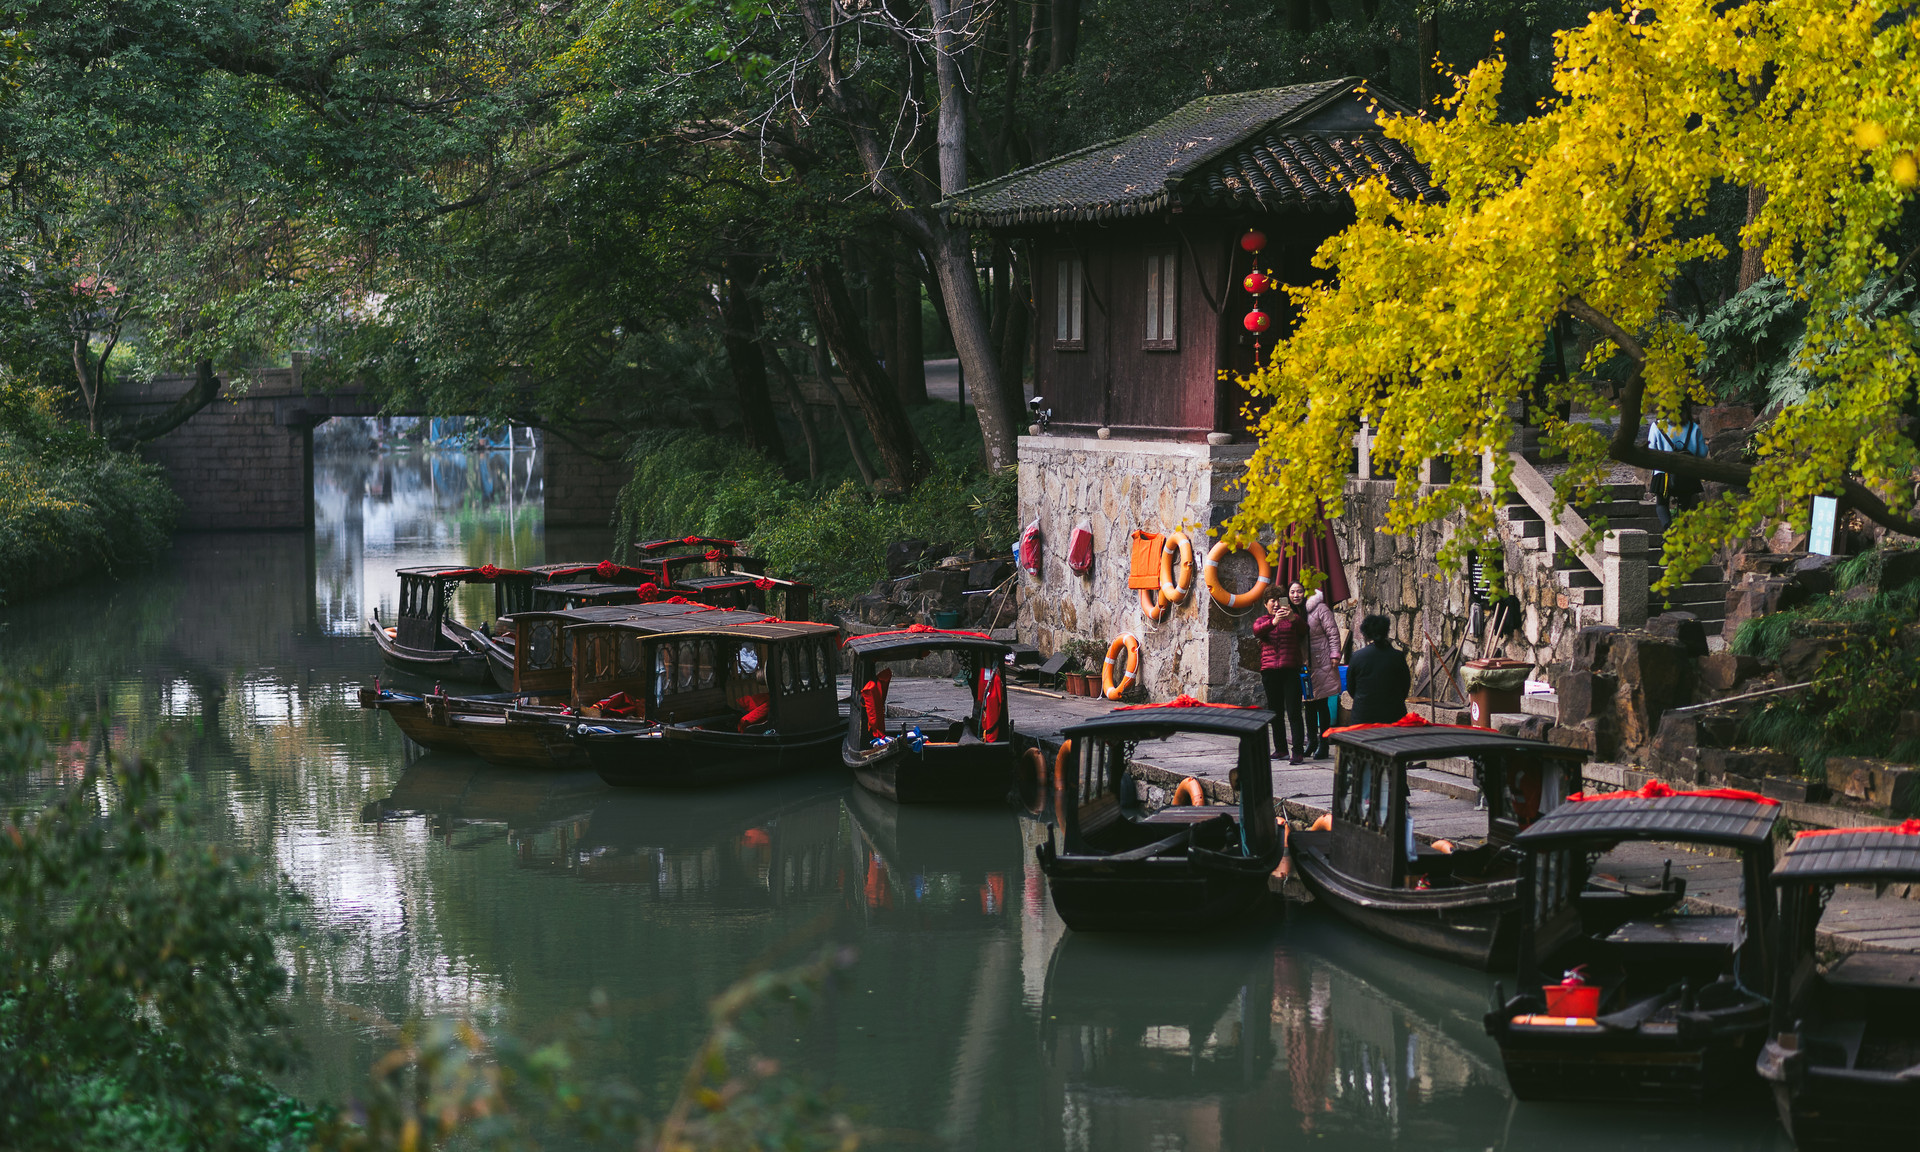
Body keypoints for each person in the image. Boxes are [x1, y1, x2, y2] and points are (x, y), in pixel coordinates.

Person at [1253, 586, 1310, 763]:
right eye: (1272, 601)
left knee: (1293, 711)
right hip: (1270, 671)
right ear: (1266, 605)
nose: (1277, 604)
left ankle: (1298, 751)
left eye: (1280, 600)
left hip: (1290, 669)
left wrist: (1292, 618)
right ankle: (1280, 749)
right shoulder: (1262, 620)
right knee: (1275, 711)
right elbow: (1257, 631)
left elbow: (1304, 630)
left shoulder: (1294, 619)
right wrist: (1274, 622)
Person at [1647, 404, 1706, 529]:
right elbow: (1702, 453)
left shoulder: (1657, 426)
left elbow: (1650, 450)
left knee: (1661, 504)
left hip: (1663, 474)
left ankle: (1668, 529)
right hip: (1687, 472)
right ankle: (1682, 534)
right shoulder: (1693, 427)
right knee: (1684, 505)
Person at [1346, 614, 1410, 725]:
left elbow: (1351, 688)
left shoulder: (1357, 657)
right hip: (1394, 716)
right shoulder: (1397, 656)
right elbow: (1405, 686)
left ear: (1365, 635)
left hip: (1363, 717)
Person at [1302, 587, 1342, 758]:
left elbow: (1332, 633)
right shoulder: (1293, 610)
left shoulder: (1320, 608)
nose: (1296, 595)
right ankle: (1311, 741)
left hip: (1321, 661)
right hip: (1303, 664)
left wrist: (1334, 654)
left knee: (1321, 703)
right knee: (1308, 704)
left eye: (1299, 591)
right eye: (1292, 592)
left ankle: (1324, 743)